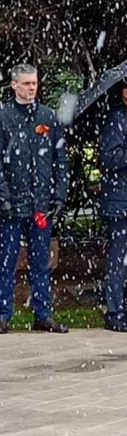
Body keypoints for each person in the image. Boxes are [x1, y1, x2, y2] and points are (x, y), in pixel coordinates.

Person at [0, 64, 69, 334]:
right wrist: (2, 196)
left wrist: (59, 194)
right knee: (7, 261)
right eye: (26, 84)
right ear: (14, 85)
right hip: (12, 202)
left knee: (40, 261)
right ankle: (2, 315)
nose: (31, 88)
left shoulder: (48, 116)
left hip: (41, 204)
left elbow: (60, 159)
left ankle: (43, 313)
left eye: (34, 83)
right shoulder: (2, 117)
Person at [98, 79, 127, 332]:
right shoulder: (117, 119)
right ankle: (115, 310)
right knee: (118, 259)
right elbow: (109, 158)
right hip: (120, 202)